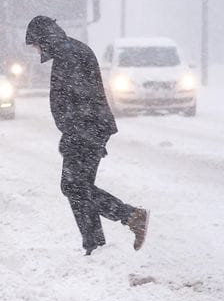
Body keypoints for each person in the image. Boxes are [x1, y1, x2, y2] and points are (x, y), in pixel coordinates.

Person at [25, 15, 149, 255]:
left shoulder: (69, 56)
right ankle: (95, 245)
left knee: (73, 187)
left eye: (36, 44)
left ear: (44, 39)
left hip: (86, 130)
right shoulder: (68, 52)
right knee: (79, 187)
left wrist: (77, 133)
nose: (36, 49)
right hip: (85, 129)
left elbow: (82, 99)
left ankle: (131, 216)